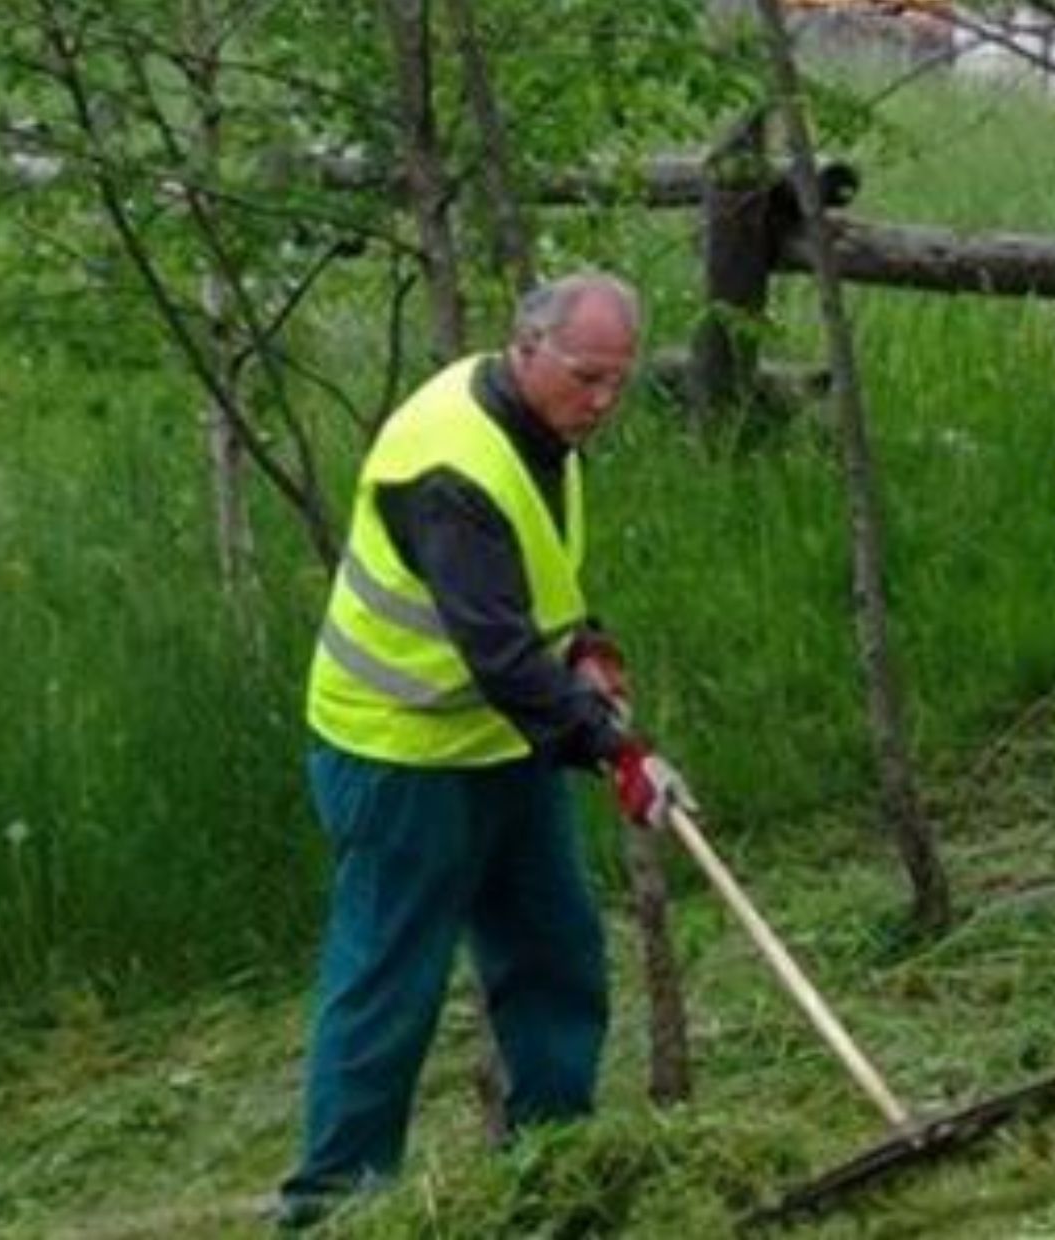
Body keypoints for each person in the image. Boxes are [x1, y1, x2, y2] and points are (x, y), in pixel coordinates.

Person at [275, 272, 694, 1228]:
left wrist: (584, 642)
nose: (602, 402)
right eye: (587, 377)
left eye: (618, 382)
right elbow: (499, 650)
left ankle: (554, 1168)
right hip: (400, 754)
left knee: (555, 950)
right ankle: (332, 1208)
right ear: (525, 347)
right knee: (391, 982)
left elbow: (534, 590)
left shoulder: (547, 432)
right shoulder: (449, 465)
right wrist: (616, 753)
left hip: (501, 743)